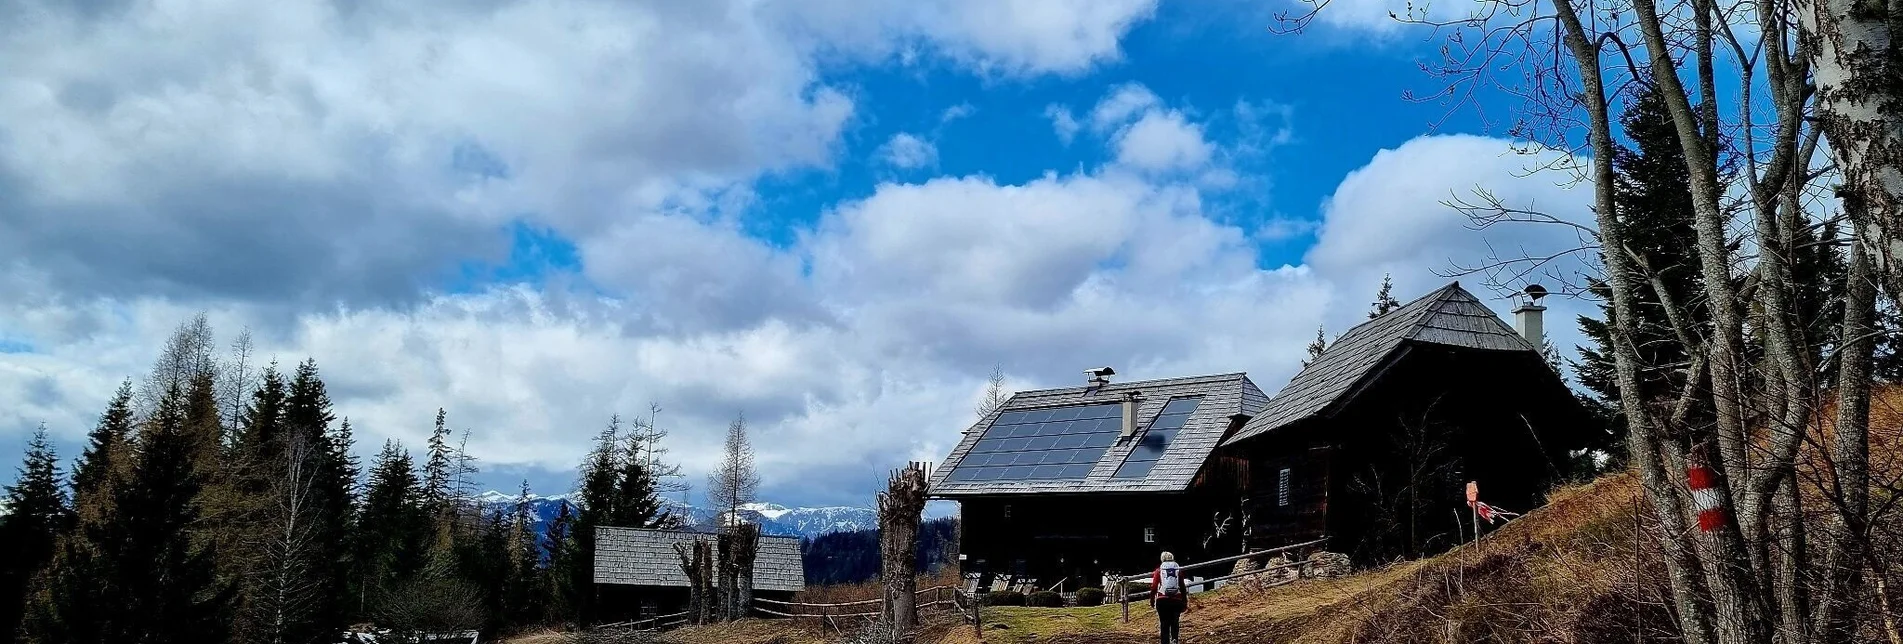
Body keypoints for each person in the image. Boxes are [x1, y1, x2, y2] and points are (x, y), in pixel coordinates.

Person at [1149, 551, 1191, 644]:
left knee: (1164, 624)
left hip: (1162, 601)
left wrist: (1152, 600)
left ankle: (1165, 642)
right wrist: (1184, 601)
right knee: (1175, 622)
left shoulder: (1159, 571)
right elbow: (1183, 587)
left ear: (1162, 560)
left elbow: (1154, 587)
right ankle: (1174, 639)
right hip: (1176, 600)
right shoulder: (1178, 571)